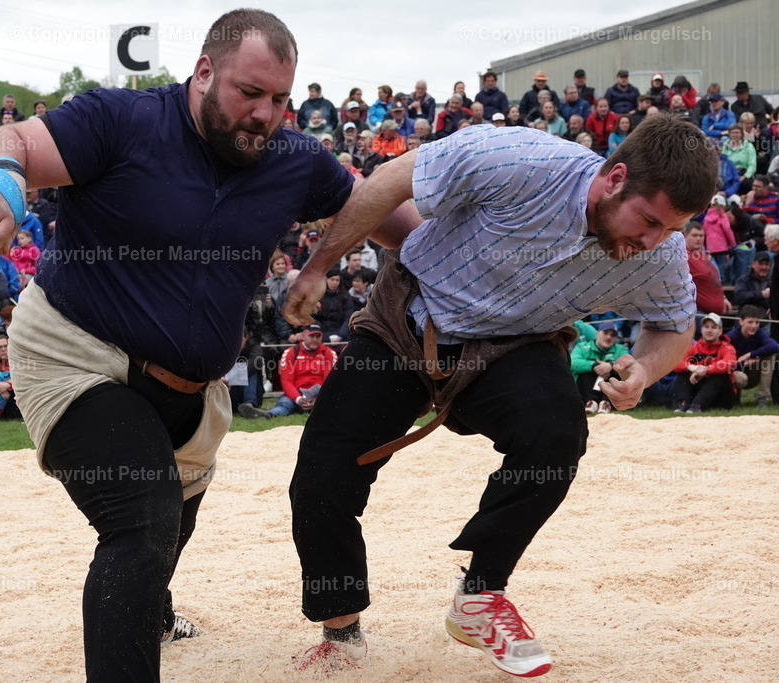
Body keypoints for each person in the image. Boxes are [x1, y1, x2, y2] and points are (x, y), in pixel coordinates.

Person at [0, 9, 418, 680]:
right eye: (249, 92)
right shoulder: (120, 119)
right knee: (142, 513)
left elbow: (390, 214)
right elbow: (4, 141)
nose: (265, 113)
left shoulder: (293, 160)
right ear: (203, 73)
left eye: (281, 99)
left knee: (173, 519)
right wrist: (1, 176)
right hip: (75, 354)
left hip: (190, 388)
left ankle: (153, 608)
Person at [282, 115, 717, 676]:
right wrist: (319, 267)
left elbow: (675, 322)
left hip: (511, 348)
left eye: (673, 229)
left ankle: (480, 596)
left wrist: (646, 372)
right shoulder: (516, 157)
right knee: (323, 474)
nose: (654, 241)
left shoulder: (659, 250)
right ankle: (340, 630)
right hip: (408, 317)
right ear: (615, 179)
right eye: (651, 220)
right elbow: (389, 179)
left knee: (558, 433)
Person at [239, 325, 335, 418]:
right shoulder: (291, 352)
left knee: (331, 402)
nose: (315, 340)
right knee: (285, 403)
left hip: (320, 394)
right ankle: (269, 415)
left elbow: (330, 381)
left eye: (318, 336)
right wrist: (298, 398)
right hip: (296, 393)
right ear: (303, 336)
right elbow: (286, 381)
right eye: (312, 336)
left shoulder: (329, 353)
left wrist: (319, 398)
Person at [671, 313, 737, 413]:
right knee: (683, 372)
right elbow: (675, 363)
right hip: (698, 388)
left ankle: (697, 406)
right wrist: (692, 368)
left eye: (714, 327)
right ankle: (682, 404)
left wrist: (706, 370)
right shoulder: (693, 347)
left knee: (719, 375)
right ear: (701, 330)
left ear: (720, 331)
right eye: (706, 327)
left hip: (723, 395)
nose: (709, 330)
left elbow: (728, 363)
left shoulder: (727, 348)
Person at [570, 322, 629, 414]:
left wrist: (610, 366)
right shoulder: (582, 347)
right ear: (597, 333)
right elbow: (573, 363)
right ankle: (591, 402)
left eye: (613, 335)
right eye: (605, 333)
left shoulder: (620, 349)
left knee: (615, 373)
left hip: (610, 389)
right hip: (585, 387)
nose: (609, 337)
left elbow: (628, 365)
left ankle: (605, 402)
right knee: (587, 371)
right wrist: (594, 366)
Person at [727, 305, 778, 406]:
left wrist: (751, 355)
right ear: (741, 322)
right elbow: (725, 362)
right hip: (736, 374)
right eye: (750, 322)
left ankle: (762, 396)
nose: (754, 326)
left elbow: (774, 346)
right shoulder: (731, 336)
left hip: (753, 372)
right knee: (738, 376)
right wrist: (743, 363)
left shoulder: (759, 333)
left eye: (757, 322)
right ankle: (735, 396)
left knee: (771, 355)